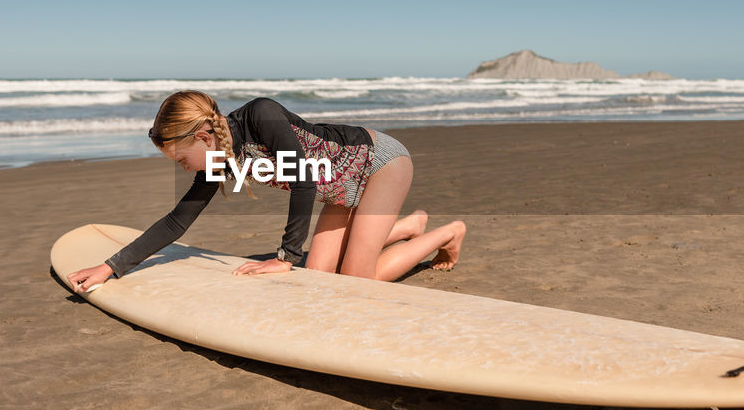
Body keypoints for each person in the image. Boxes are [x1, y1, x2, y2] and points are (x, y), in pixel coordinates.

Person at [66, 90, 465, 292]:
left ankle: (444, 234)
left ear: (204, 136)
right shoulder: (220, 158)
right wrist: (112, 266)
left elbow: (304, 180)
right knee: (321, 277)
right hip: (341, 185)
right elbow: (177, 221)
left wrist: (284, 257)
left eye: (181, 159)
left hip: (381, 163)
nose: (181, 168)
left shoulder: (262, 114)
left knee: (357, 281)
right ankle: (407, 223)